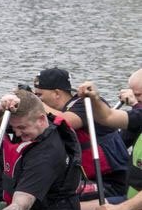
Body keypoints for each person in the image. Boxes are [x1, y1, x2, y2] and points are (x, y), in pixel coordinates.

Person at [33, 67, 128, 199]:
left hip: (111, 183)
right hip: (87, 179)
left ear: (56, 93)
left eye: (39, 95)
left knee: (58, 198)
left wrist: (36, 104)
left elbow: (66, 122)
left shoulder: (86, 103)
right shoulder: (52, 114)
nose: (38, 99)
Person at [77, 80, 142, 210]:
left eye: (137, 94)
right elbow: (107, 117)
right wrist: (94, 98)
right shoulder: (140, 116)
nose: (134, 98)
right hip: (133, 196)